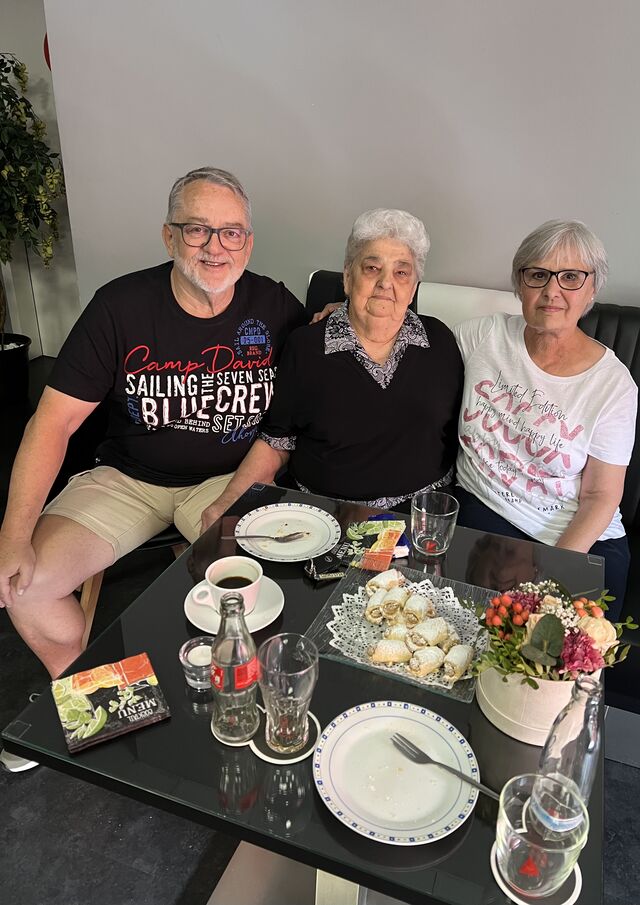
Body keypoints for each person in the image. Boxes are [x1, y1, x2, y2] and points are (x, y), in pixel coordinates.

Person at [0, 167, 308, 684]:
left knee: (261, 593)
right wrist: (13, 534)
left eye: (231, 232)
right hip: (127, 480)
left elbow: (302, 406)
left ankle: (236, 697)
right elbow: (52, 423)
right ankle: (94, 696)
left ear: (248, 243)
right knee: (24, 587)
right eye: (197, 229)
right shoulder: (119, 307)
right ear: (169, 237)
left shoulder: (276, 307)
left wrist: (335, 319)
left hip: (228, 479)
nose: (215, 247)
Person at [201, 208, 463, 529]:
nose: (385, 283)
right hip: (323, 515)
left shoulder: (441, 342)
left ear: (413, 287)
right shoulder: (306, 347)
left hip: (421, 518)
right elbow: (276, 441)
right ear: (348, 278)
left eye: (401, 272)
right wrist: (228, 501)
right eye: (372, 268)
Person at [453, 220, 637, 618]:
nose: (552, 290)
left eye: (570, 277)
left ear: (592, 288)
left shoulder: (613, 385)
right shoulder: (483, 338)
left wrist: (553, 575)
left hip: (577, 537)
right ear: (520, 284)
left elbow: (600, 495)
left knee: (562, 650)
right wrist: (344, 314)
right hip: (483, 511)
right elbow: (410, 345)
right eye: (538, 275)